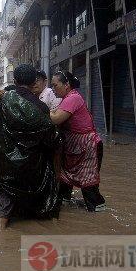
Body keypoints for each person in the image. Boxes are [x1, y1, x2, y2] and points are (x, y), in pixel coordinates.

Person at [0, 64, 60, 230]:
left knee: (3, 202)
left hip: (6, 163)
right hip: (33, 164)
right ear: (33, 82)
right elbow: (48, 136)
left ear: (15, 81)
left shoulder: (2, 101)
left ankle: (0, 236)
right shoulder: (41, 107)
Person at [50, 70, 106, 212]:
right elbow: (54, 113)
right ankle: (64, 206)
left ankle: (99, 215)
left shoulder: (73, 98)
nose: (53, 89)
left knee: (88, 184)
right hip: (75, 148)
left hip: (88, 148)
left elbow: (56, 118)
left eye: (55, 85)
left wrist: (44, 109)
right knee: (65, 178)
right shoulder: (67, 98)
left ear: (67, 84)